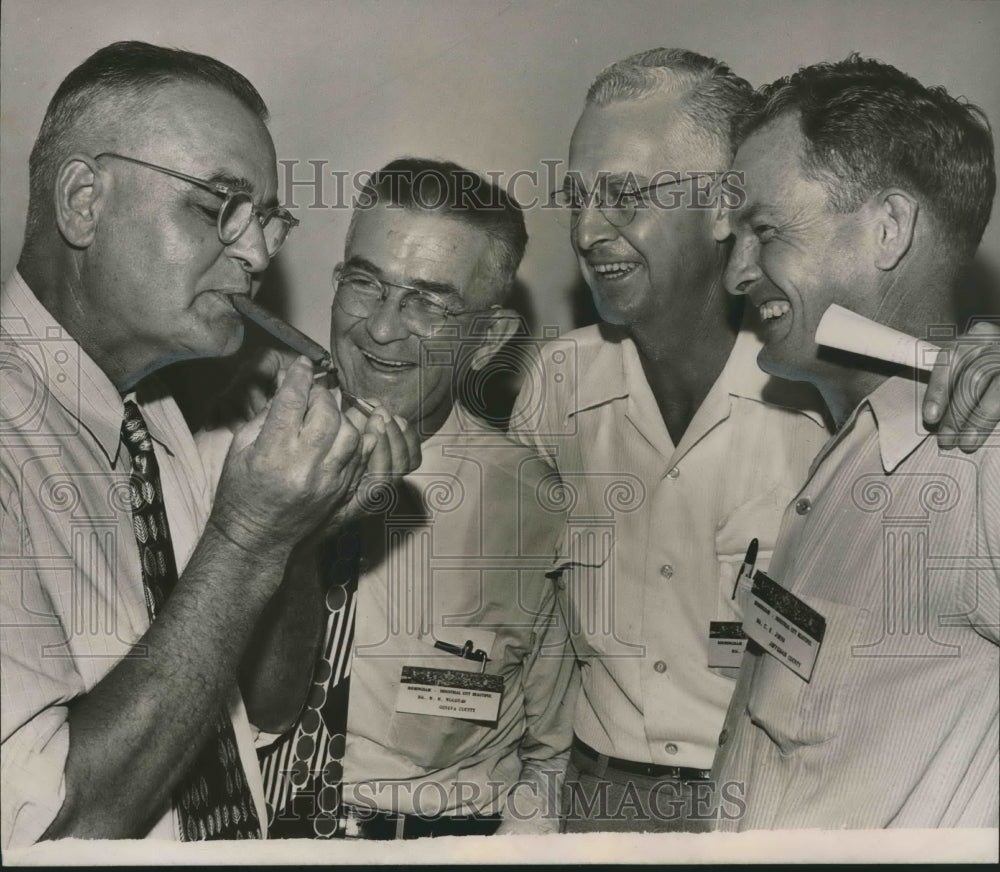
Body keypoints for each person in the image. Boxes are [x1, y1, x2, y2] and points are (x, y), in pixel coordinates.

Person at [510, 48, 1000, 833]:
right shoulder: (560, 388)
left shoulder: (922, 436)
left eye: (763, 229)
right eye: (577, 197)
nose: (585, 228)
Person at [0, 41, 415, 848]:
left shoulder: (152, 413)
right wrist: (247, 535)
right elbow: (59, 822)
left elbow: (262, 707)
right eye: (217, 206)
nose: (258, 254)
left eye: (267, 219)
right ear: (82, 201)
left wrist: (299, 534)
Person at [224, 159, 576, 838]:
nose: (382, 329)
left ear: (490, 338)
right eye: (365, 284)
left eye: (428, 303)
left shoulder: (533, 506)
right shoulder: (230, 452)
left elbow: (550, 757)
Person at [711, 55, 998, 829]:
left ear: (888, 229)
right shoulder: (848, 448)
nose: (738, 273)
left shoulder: (979, 462)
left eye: (764, 230)